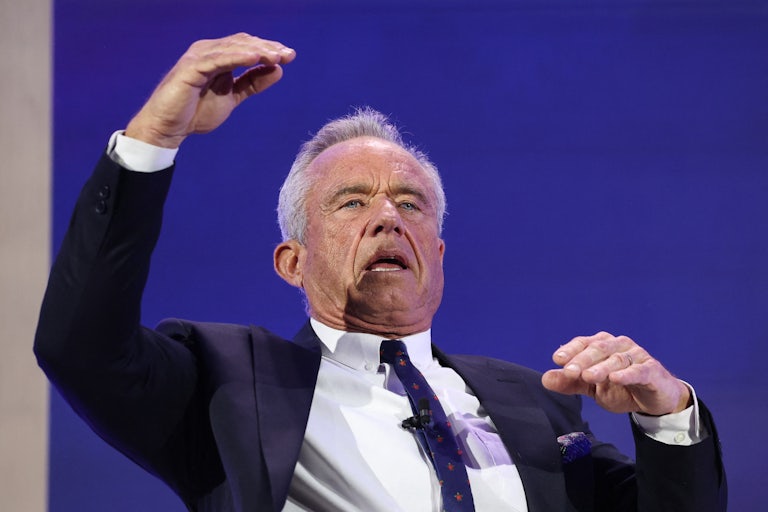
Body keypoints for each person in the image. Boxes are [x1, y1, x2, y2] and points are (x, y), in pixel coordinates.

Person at [35, 33, 726, 512]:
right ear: (292, 261)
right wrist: (156, 135)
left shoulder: (532, 402)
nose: (388, 218)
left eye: (410, 203)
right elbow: (79, 344)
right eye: (352, 202)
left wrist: (666, 416)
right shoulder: (223, 383)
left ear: (440, 256)